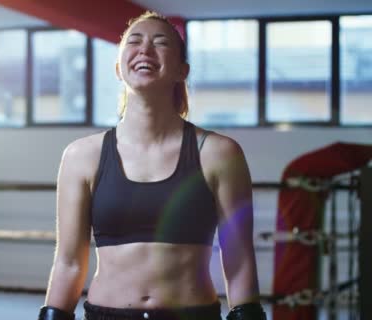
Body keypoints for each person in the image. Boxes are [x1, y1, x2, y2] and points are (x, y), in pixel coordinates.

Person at [38, 11, 266, 320]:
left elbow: (238, 257)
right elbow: (69, 262)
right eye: (134, 41)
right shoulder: (81, 156)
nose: (145, 49)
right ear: (119, 68)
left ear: (182, 70)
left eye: (160, 43)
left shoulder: (219, 153)